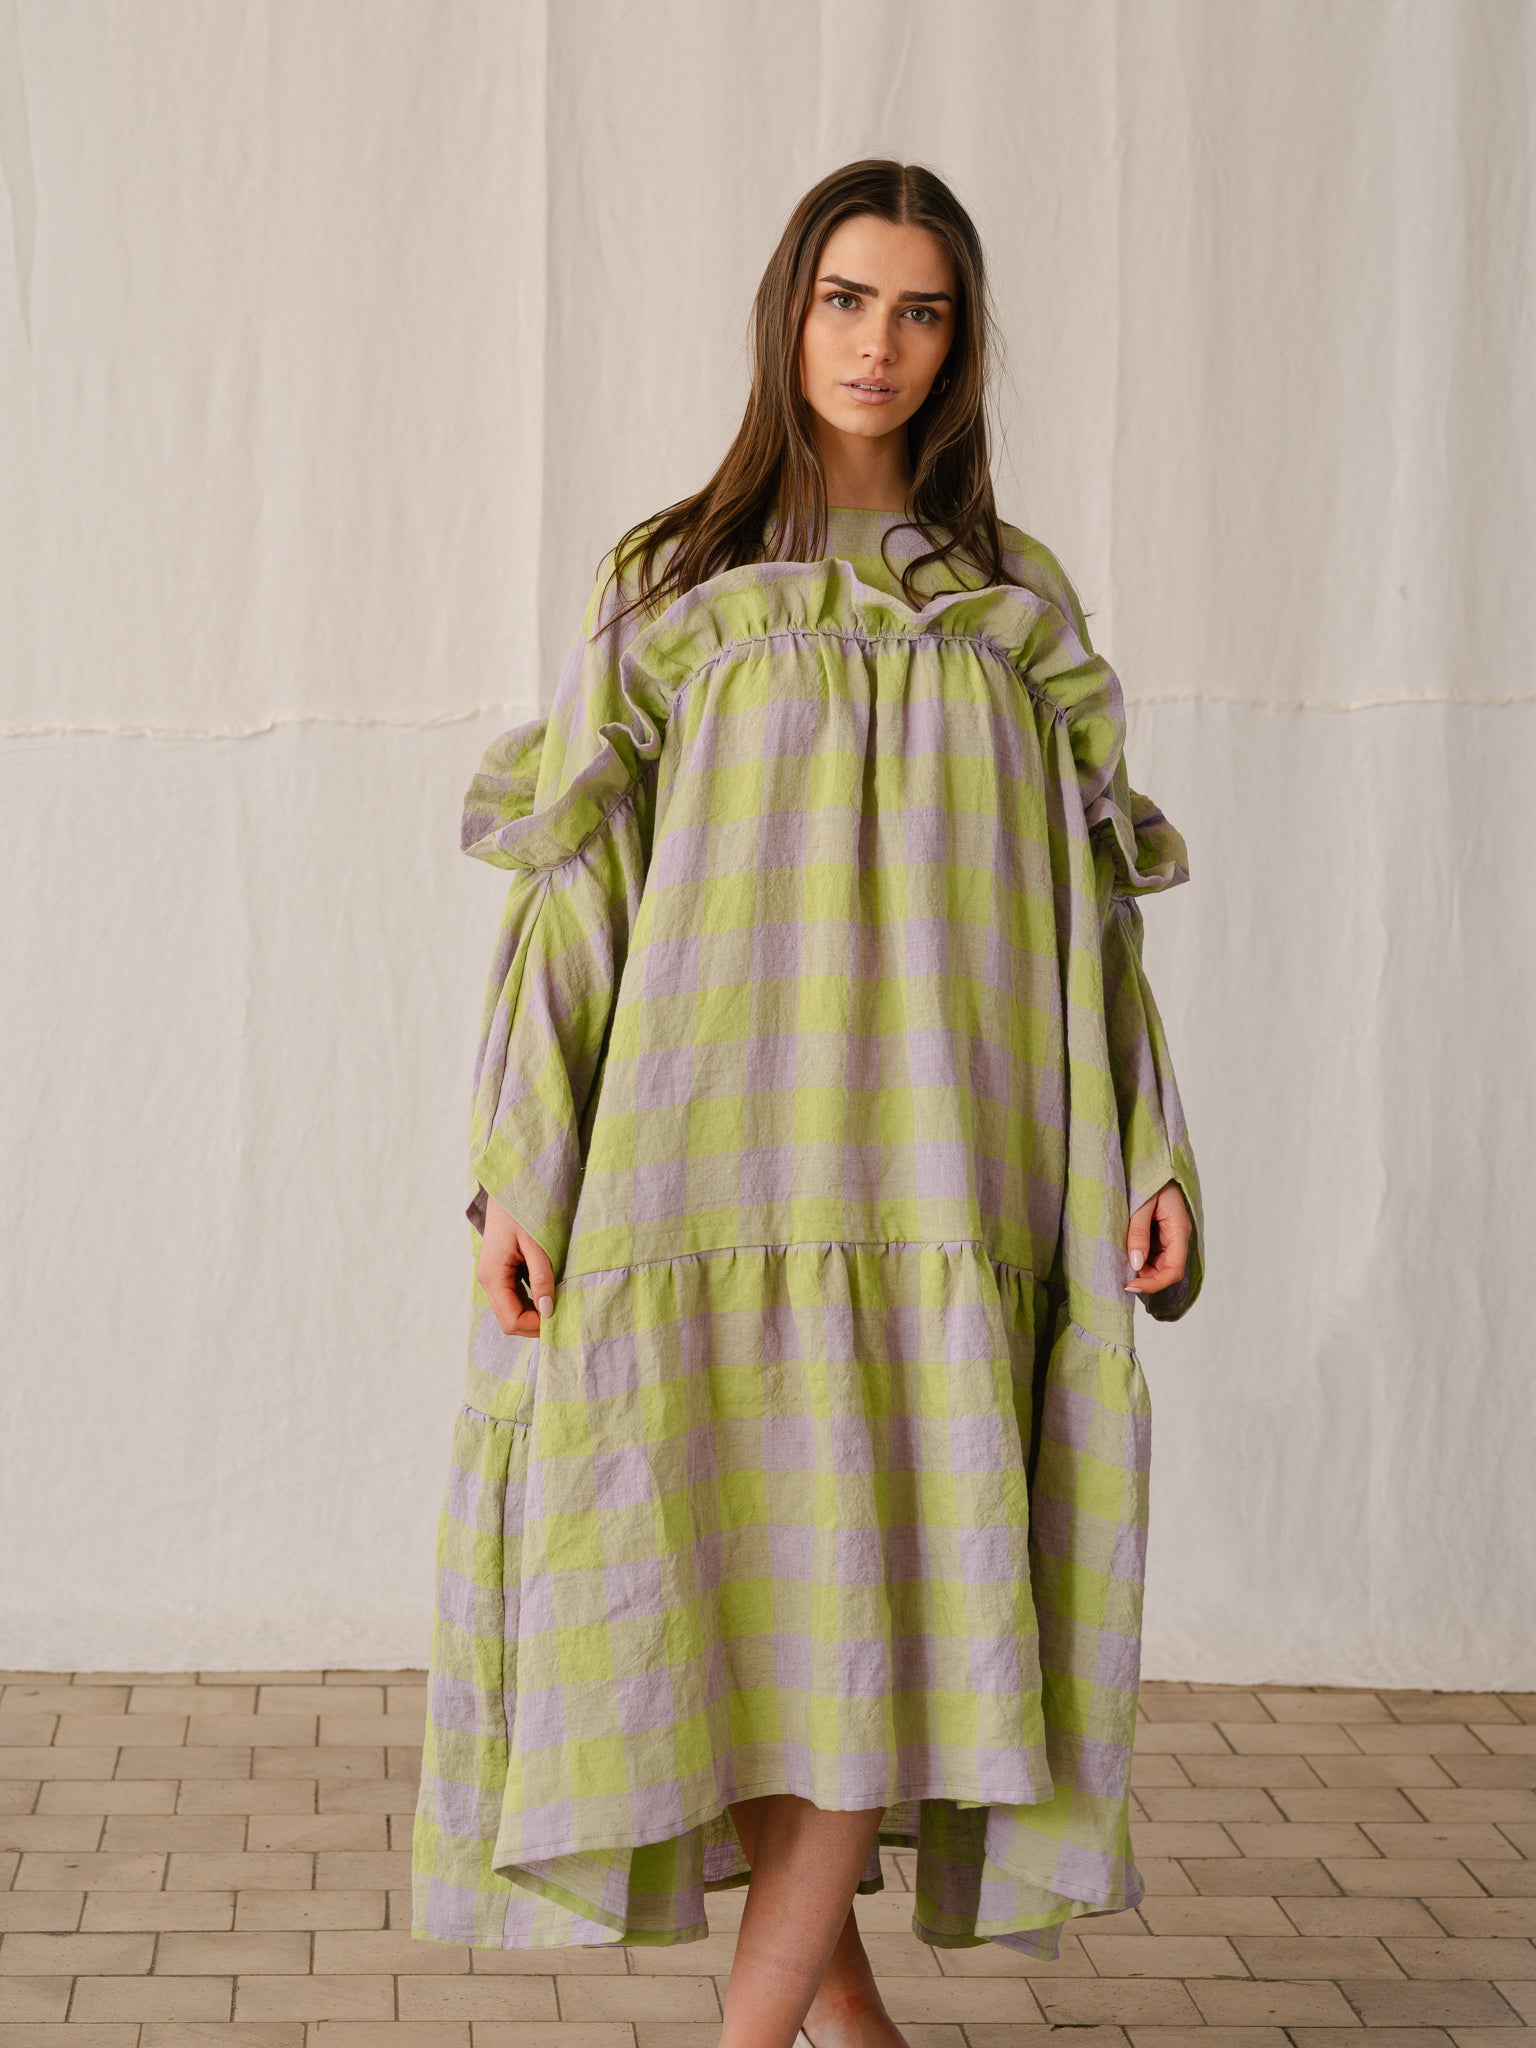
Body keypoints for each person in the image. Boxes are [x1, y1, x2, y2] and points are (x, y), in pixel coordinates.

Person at [410, 159, 1204, 2048]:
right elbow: (576, 898)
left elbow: (1091, 917)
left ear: (960, 340)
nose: (879, 345)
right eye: (849, 300)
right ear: (792, 311)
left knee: (879, 1617)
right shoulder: (672, 578)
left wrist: (1155, 1146)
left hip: (953, 1173)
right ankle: (840, 2031)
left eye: (922, 310)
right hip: (702, 1166)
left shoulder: (1016, 602)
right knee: (772, 1633)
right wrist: (519, 1174)